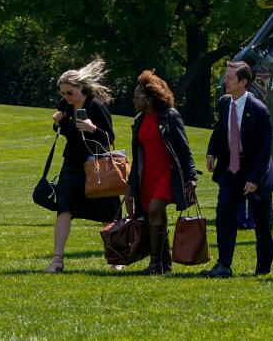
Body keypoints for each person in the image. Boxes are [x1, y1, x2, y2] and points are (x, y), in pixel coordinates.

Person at [202, 61, 273, 278]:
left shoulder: (259, 110)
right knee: (224, 212)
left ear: (243, 82)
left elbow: (265, 150)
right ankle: (224, 264)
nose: (226, 81)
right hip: (231, 169)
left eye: (230, 78)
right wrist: (211, 152)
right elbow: (219, 130)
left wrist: (254, 179)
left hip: (256, 171)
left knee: (262, 222)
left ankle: (263, 267)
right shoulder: (225, 103)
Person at [47, 59, 119, 273]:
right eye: (62, 94)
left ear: (80, 88)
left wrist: (92, 128)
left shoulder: (96, 105)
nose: (66, 98)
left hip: (96, 166)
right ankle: (57, 259)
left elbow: (109, 137)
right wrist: (58, 123)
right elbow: (65, 132)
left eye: (69, 93)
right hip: (72, 165)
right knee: (64, 209)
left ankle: (116, 258)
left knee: (108, 213)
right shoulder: (65, 106)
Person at [126, 70, 198, 275]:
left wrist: (191, 177)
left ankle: (155, 263)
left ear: (148, 99)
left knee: (156, 210)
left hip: (168, 173)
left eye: (136, 97)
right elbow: (138, 154)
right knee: (153, 217)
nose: (134, 100)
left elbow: (184, 150)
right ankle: (164, 265)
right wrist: (131, 184)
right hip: (146, 175)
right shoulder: (139, 120)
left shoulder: (170, 116)